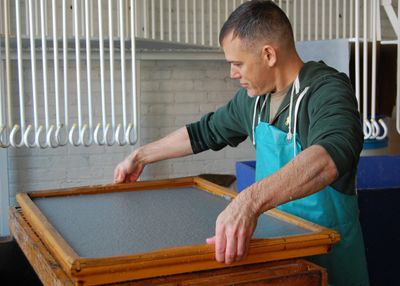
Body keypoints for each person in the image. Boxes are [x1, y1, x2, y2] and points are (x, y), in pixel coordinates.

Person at [114, 1, 369, 285]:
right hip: (279, 251)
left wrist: (248, 202)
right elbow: (205, 132)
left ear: (269, 54)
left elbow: (328, 159)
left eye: (238, 63)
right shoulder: (254, 102)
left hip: (331, 257)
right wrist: (141, 156)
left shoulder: (327, 91)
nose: (233, 74)